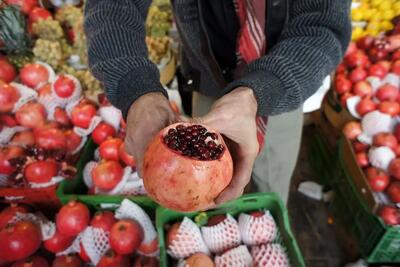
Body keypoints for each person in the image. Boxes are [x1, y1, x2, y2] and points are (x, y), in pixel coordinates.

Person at [84, 0, 351, 204]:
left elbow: (322, 25)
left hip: (286, 85)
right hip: (208, 81)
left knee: (272, 179)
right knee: (210, 195)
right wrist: (135, 87)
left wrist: (262, 89)